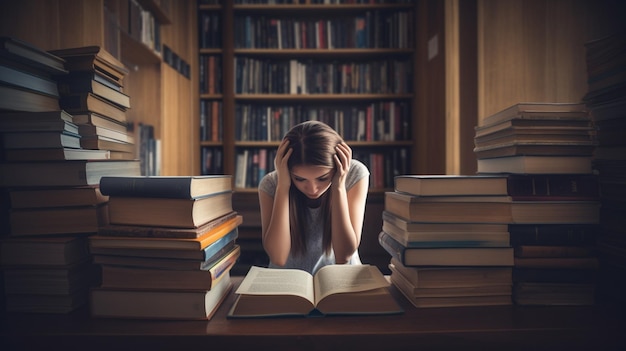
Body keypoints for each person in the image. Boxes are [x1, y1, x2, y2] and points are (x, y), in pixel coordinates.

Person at [258, 120, 370, 274]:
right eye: (300, 179)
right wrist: (283, 187)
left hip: (340, 279)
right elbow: (278, 258)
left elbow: (343, 256)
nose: (313, 189)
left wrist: (338, 186)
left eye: (322, 178)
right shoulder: (271, 184)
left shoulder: (354, 174)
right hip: (288, 284)